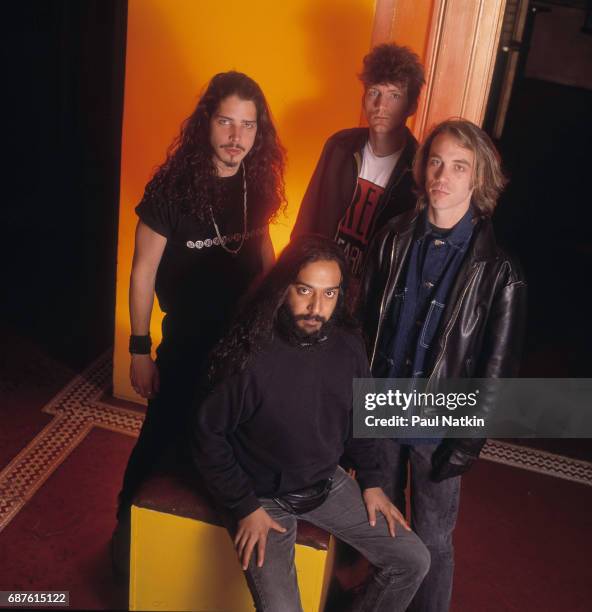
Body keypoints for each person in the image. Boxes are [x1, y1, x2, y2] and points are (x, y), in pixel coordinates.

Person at [192, 235, 430, 612]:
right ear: (284, 287)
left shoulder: (348, 345)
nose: (317, 307)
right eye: (305, 290)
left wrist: (373, 482)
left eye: (330, 294)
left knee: (414, 559)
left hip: (325, 483)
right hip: (262, 498)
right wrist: (244, 505)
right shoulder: (249, 356)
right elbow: (208, 437)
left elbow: (362, 418)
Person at [113, 71, 286, 572]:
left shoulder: (259, 183)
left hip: (243, 343)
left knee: (225, 443)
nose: (237, 137)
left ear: (259, 132)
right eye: (227, 122)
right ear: (206, 123)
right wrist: (139, 349)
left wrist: (276, 322)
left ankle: (195, 550)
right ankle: (125, 529)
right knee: (162, 434)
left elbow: (265, 250)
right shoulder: (170, 189)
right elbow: (142, 271)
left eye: (248, 126)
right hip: (186, 341)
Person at [358, 119, 527, 611]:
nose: (443, 175)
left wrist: (468, 441)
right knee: (383, 529)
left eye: (459, 166)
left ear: (478, 179)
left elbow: (496, 373)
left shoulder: (501, 271)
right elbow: (363, 328)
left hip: (440, 422)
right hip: (385, 406)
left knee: (433, 538)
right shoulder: (392, 238)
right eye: (436, 161)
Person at [291, 43, 425, 286]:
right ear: (364, 97)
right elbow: (307, 219)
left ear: (412, 105)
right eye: (374, 92)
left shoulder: (419, 169)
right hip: (320, 283)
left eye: (394, 95)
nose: (381, 106)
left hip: (369, 296)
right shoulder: (339, 146)